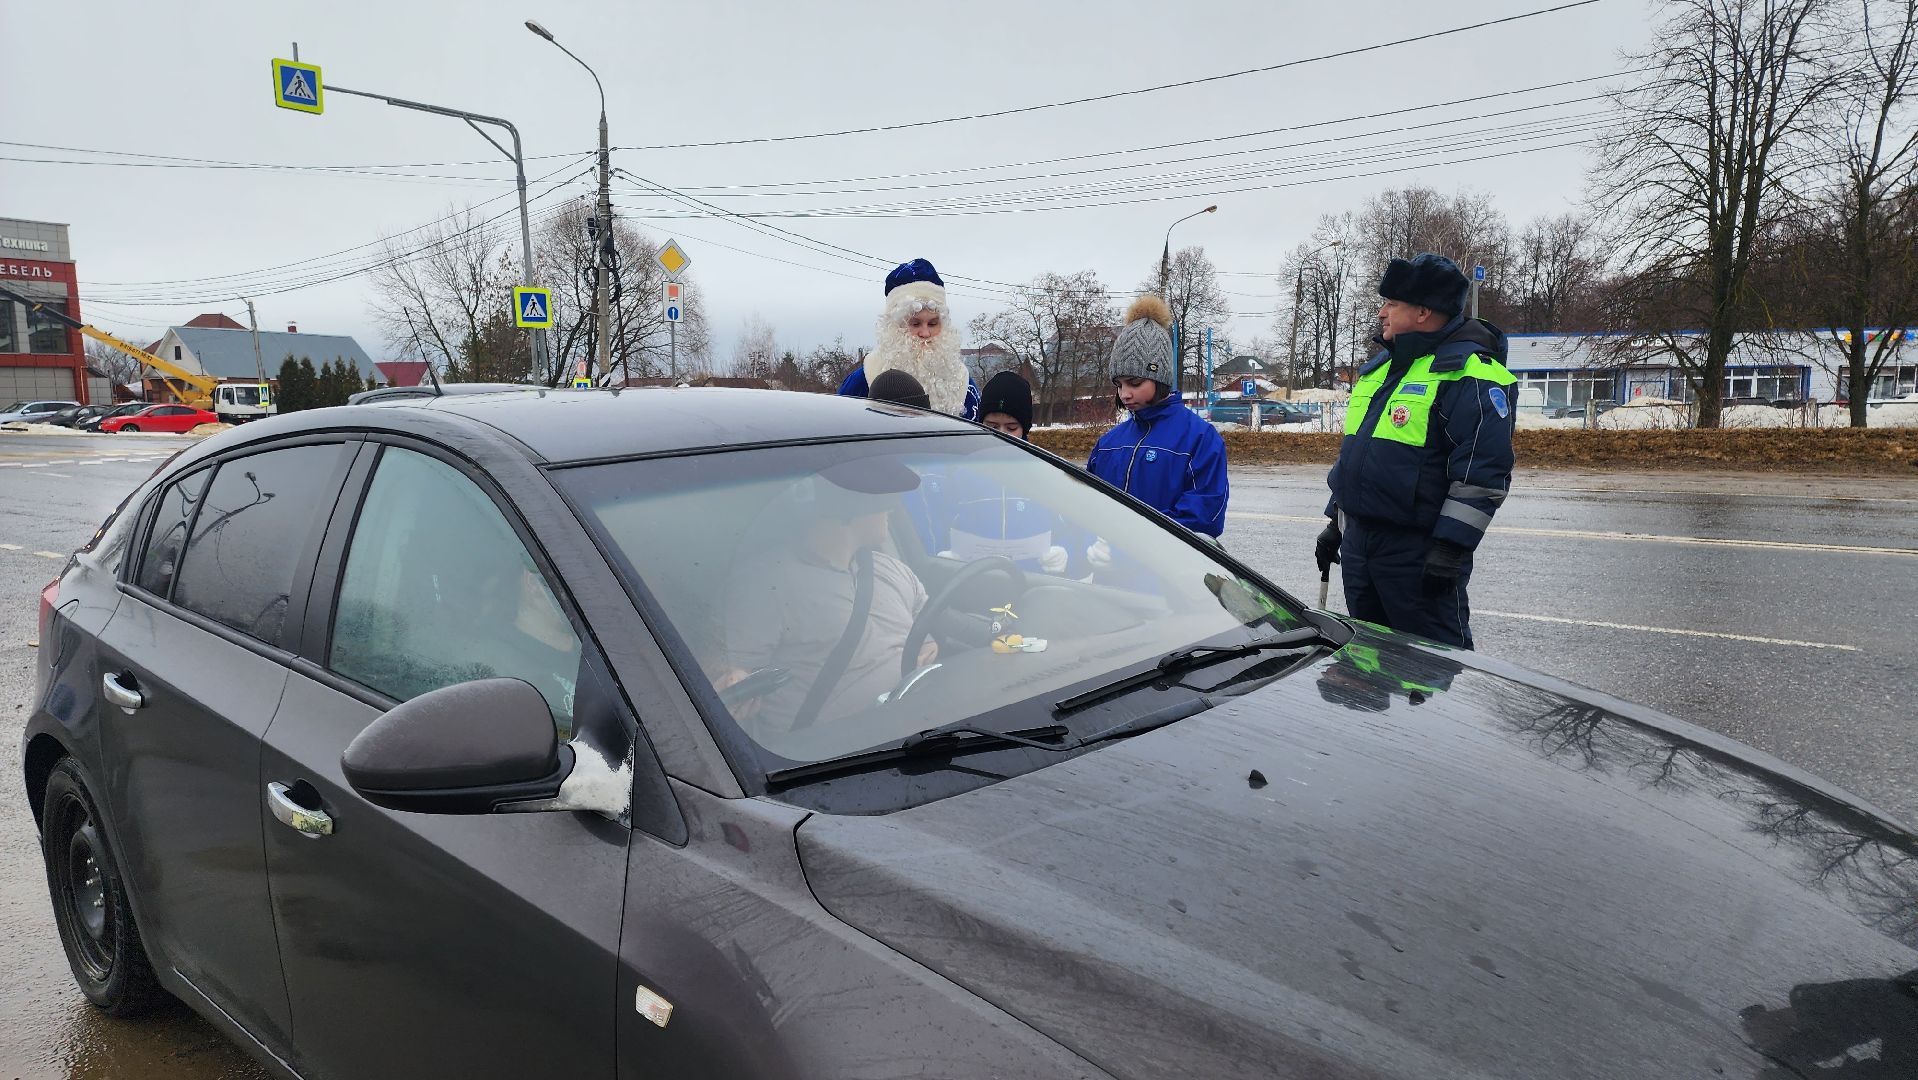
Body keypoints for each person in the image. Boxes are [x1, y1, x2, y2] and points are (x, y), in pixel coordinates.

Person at [1316, 253, 1516, 650]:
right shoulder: (1382, 370)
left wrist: (1450, 547)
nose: (1380, 312)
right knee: (1367, 662)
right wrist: (1335, 524)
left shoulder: (1469, 373)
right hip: (1361, 549)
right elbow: (1359, 461)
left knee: (1431, 674)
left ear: (1423, 312)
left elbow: (1482, 472)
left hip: (1420, 556)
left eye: (1391, 303)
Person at [717, 457, 935, 733]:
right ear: (851, 507)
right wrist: (731, 680)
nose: (892, 510)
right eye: (884, 504)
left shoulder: (891, 569)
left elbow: (931, 628)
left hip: (919, 732)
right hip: (828, 757)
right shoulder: (767, 581)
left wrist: (929, 647)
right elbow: (733, 674)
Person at [1085, 295, 1230, 573]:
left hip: (1173, 581)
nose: (1124, 394)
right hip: (1109, 580)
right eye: (1119, 384)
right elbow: (1088, 507)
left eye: (1135, 383)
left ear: (1160, 377)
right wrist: (1086, 546)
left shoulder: (1200, 438)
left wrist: (1133, 544)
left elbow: (1204, 516)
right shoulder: (1108, 444)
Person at [939, 370, 1073, 575]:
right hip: (970, 582)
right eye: (992, 426)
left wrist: (1065, 552)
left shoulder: (1046, 473)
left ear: (1025, 428)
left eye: (1011, 428)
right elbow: (941, 521)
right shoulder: (960, 473)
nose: (1001, 435)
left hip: (1033, 584)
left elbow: (1072, 527)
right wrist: (944, 555)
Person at [838, 259, 981, 420]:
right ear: (895, 327)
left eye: (933, 323)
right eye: (915, 324)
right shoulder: (863, 380)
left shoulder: (962, 383)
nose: (925, 333)